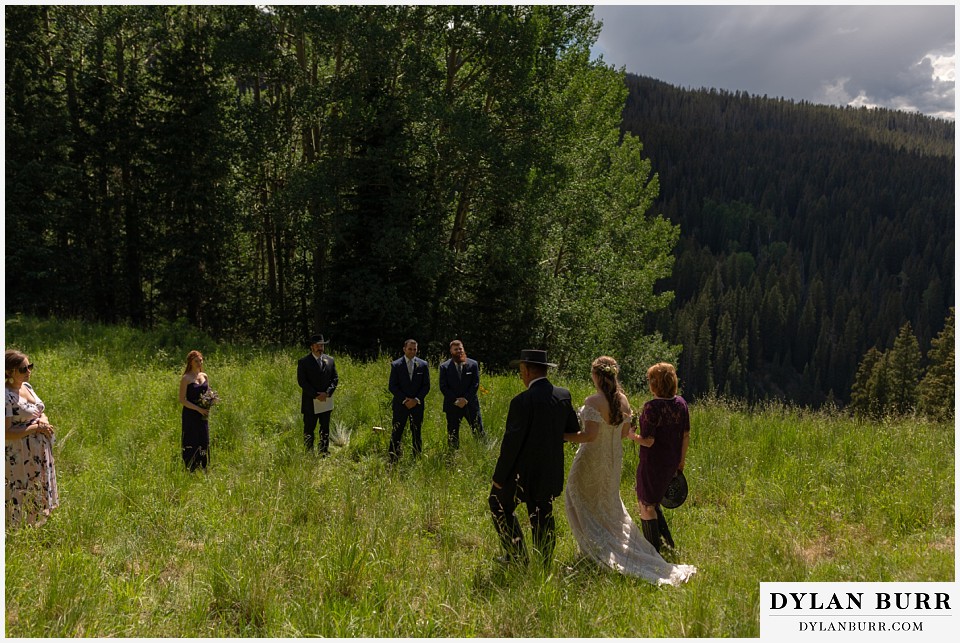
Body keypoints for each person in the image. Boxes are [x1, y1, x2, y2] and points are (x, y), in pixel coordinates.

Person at [564, 356, 696, 585]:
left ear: (596, 376)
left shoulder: (595, 401)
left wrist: (562, 436)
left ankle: (595, 548)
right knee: (610, 504)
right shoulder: (626, 401)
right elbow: (628, 434)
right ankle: (656, 547)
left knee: (581, 499)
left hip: (594, 459)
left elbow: (595, 436)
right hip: (616, 462)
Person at [489, 349, 580, 565]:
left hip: (521, 473)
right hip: (549, 469)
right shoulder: (563, 396)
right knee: (542, 515)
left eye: (521, 371)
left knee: (498, 504)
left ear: (527, 371)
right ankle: (543, 562)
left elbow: (511, 444)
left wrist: (499, 477)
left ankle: (517, 556)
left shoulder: (521, 401)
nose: (521, 375)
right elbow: (572, 430)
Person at [628, 362, 692, 554]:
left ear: (655, 384)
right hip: (671, 461)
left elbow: (648, 441)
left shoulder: (651, 408)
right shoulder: (681, 404)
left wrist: (631, 434)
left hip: (653, 463)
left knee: (646, 506)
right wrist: (681, 461)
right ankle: (668, 545)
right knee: (654, 502)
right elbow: (686, 435)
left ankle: (653, 553)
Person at [5, 349, 59, 527]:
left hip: (39, 452)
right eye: (23, 369)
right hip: (21, 454)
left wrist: (43, 421)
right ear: (9, 372)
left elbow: (39, 411)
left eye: (30, 366)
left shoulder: (27, 387)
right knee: (22, 490)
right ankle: (19, 531)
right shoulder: (5, 397)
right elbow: (6, 432)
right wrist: (37, 427)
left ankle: (39, 527)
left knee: (39, 487)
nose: (28, 371)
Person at [438, 339, 486, 450]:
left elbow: (475, 384)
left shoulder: (473, 364)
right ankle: (453, 455)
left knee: (478, 431)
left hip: (470, 405)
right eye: (456, 349)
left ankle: (483, 452)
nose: (459, 351)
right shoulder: (444, 367)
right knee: (452, 433)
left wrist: (465, 399)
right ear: (451, 351)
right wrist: (456, 400)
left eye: (461, 349)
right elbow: (443, 387)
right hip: (452, 405)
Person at [388, 339, 430, 462]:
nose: (412, 351)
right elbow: (392, 386)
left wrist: (416, 400)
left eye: (415, 349)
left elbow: (426, 386)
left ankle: (417, 457)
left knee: (417, 432)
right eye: (410, 349)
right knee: (397, 431)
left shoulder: (423, 365)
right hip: (401, 404)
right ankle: (393, 457)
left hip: (417, 405)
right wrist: (405, 399)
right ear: (404, 349)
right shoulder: (396, 365)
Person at [297, 334, 339, 455]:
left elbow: (335, 379)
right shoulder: (304, 362)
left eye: (322, 345)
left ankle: (324, 451)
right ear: (311, 347)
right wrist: (316, 395)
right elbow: (302, 382)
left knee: (325, 427)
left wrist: (327, 393)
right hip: (310, 401)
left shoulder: (330, 360)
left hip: (326, 400)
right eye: (317, 345)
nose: (320, 348)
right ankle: (308, 452)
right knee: (309, 428)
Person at [178, 350, 211, 471]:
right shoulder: (186, 378)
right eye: (196, 361)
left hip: (203, 413)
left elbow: (208, 392)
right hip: (191, 413)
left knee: (203, 437)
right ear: (190, 362)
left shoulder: (204, 376)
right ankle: (191, 466)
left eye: (200, 360)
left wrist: (211, 401)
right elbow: (182, 399)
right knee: (192, 438)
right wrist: (198, 408)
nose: (199, 363)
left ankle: (203, 466)